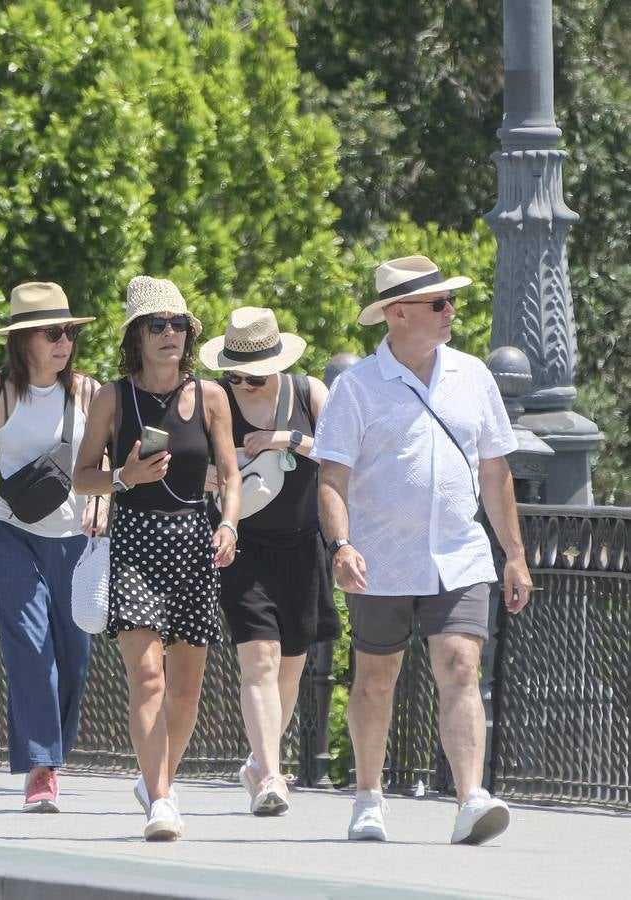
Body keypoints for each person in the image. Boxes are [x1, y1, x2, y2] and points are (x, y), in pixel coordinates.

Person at [312, 255, 533, 845]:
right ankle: (367, 797)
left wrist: (513, 552)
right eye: (439, 303)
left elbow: (494, 470)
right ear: (398, 313)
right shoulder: (356, 386)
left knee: (462, 666)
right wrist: (341, 544)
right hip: (379, 559)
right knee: (376, 676)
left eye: (451, 301)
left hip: (459, 554)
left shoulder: (472, 376)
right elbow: (331, 480)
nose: (451, 312)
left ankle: (469, 799)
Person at [74, 276, 241, 841]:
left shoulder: (211, 397)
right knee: (147, 676)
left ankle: (158, 778)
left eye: (178, 325)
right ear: (136, 337)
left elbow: (232, 475)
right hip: (136, 545)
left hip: (194, 544)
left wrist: (228, 523)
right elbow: (81, 475)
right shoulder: (113, 397)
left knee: (186, 688)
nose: (169, 334)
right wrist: (124, 476)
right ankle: (162, 801)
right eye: (157, 325)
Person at [0, 282, 103, 813]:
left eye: (69, 332)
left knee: (75, 660)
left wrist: (103, 504)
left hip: (74, 544)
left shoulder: (88, 392)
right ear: (23, 341)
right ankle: (41, 769)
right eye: (52, 332)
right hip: (13, 536)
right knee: (32, 652)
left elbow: (103, 470)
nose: (64, 341)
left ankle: (52, 752)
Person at [199, 306, 341, 816]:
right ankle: (272, 778)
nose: (242, 384)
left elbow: (341, 454)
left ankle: (260, 763)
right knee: (258, 659)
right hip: (241, 545)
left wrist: (286, 439)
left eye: (252, 376)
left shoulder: (308, 394)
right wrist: (213, 478)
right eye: (233, 374)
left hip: (303, 548)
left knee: (291, 668)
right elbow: (188, 461)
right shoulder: (213, 398)